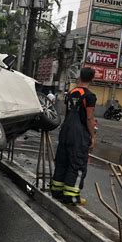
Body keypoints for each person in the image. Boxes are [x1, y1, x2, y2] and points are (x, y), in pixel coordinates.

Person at [51, 67, 97, 206]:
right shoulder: (89, 96)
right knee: (77, 163)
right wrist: (92, 135)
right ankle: (71, 196)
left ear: (80, 77)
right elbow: (89, 118)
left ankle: (57, 191)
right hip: (79, 133)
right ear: (92, 79)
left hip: (66, 129)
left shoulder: (71, 92)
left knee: (62, 160)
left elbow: (67, 112)